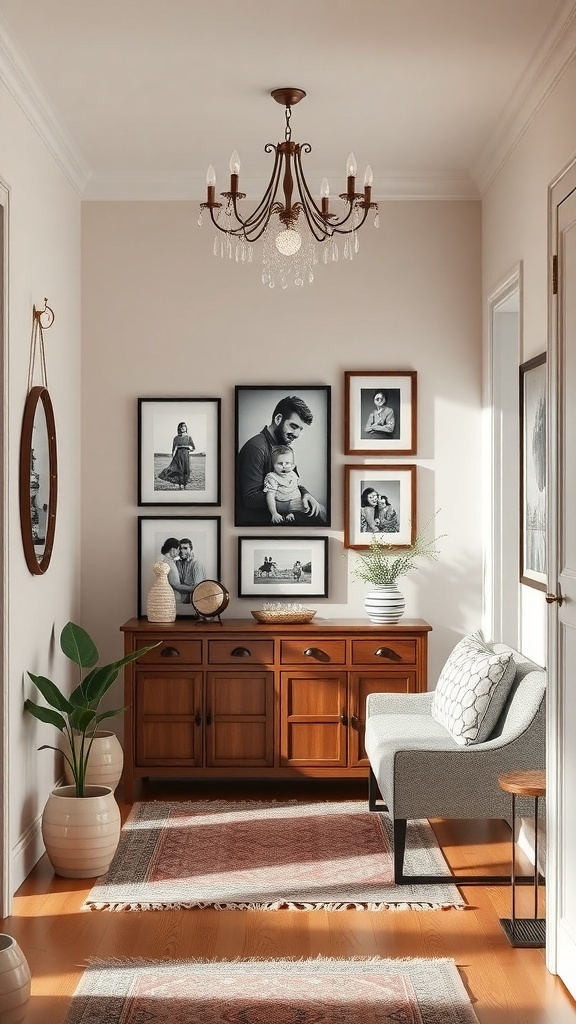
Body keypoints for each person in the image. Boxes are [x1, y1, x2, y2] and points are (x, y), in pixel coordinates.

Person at [236, 395, 327, 526]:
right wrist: (293, 504)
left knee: (320, 510)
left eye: (300, 429)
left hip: (283, 516)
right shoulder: (255, 448)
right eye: (293, 426)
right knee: (320, 515)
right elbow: (250, 498)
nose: (297, 434)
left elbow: (291, 482)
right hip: (261, 522)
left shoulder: (284, 448)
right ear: (278, 419)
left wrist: (306, 494)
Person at [263, 445, 311, 524]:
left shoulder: (293, 474)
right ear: (273, 465)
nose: (284, 466)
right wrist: (274, 513)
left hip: (298, 503)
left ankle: (293, 514)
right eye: (280, 463)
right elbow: (270, 495)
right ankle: (287, 515)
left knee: (313, 511)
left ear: (292, 465)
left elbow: (298, 487)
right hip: (283, 505)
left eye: (287, 463)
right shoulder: (272, 477)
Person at [158, 421, 195, 490]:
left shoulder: (189, 438)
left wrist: (188, 447)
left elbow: (193, 448)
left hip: (185, 456)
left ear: (186, 428)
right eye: (181, 427)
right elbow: (173, 449)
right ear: (179, 428)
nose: (182, 428)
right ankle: (180, 484)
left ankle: (184, 484)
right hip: (178, 456)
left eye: (184, 426)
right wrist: (173, 456)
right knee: (178, 470)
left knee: (185, 470)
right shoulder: (176, 438)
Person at [170, 538, 206, 604]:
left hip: (194, 601)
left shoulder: (196, 564)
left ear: (191, 549)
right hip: (180, 600)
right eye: (180, 548)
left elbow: (197, 588)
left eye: (185, 548)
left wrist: (177, 586)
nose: (182, 551)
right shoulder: (177, 563)